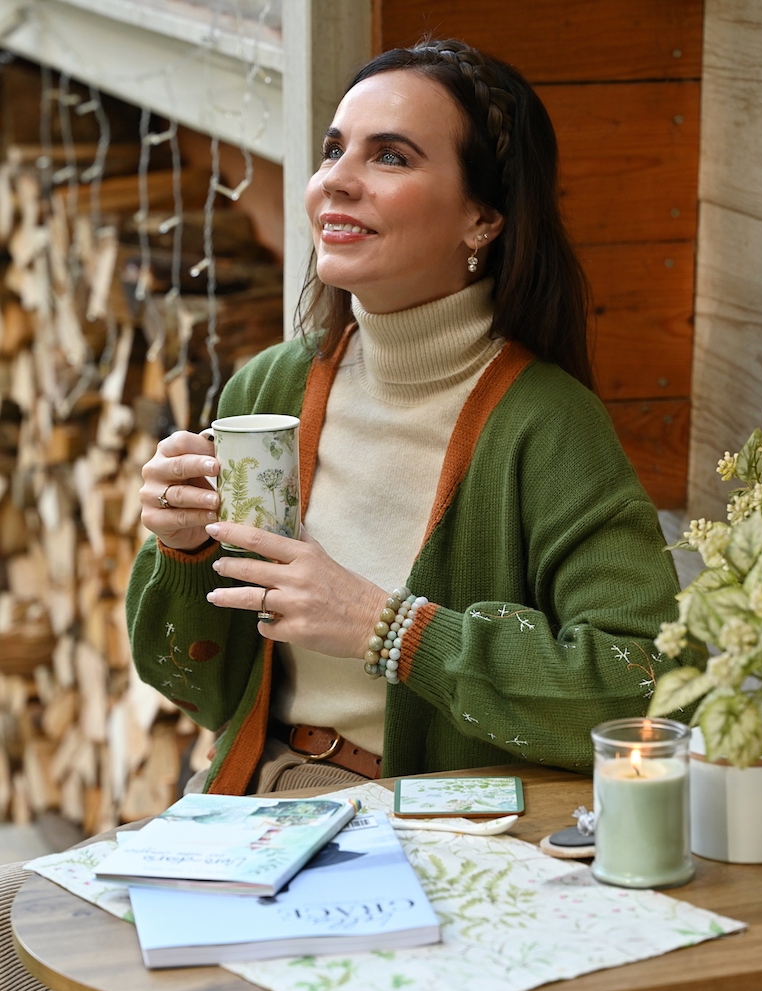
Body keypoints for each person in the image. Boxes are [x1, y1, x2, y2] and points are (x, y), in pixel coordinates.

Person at [127, 39, 702, 797]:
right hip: (260, 801)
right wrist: (184, 549)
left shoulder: (549, 425)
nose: (337, 180)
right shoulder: (271, 389)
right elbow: (199, 689)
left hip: (436, 828)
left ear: (482, 219)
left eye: (391, 157)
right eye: (334, 150)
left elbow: (654, 690)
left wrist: (391, 629)